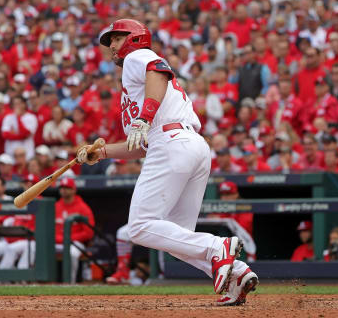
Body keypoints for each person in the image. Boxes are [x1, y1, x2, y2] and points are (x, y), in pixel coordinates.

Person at [78, 19, 258, 304]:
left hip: (173, 144)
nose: (111, 45)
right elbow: (140, 145)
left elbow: (158, 70)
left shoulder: (139, 57)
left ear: (133, 38)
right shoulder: (134, 88)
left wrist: (144, 117)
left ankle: (218, 247)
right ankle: (237, 272)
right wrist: (100, 153)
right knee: (177, 239)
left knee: (139, 226)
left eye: (115, 38)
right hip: (188, 145)